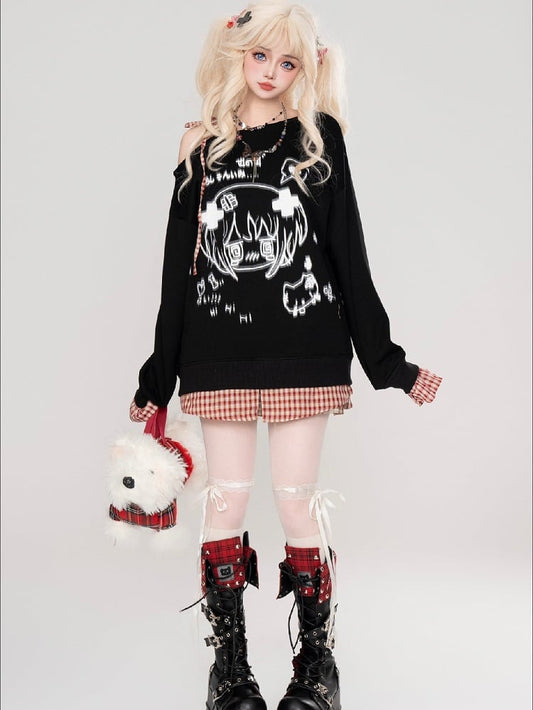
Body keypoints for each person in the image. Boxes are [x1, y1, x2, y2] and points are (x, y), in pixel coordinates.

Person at [129, 2, 443, 708]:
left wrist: (388, 363)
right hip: (216, 356)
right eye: (261, 55)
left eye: (289, 61)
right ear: (236, 53)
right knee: (227, 503)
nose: (271, 72)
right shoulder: (199, 145)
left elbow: (347, 254)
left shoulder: (317, 140)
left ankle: (316, 665)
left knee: (298, 504)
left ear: (307, 67)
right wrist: (158, 375)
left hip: (305, 352)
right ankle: (231, 668)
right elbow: (179, 269)